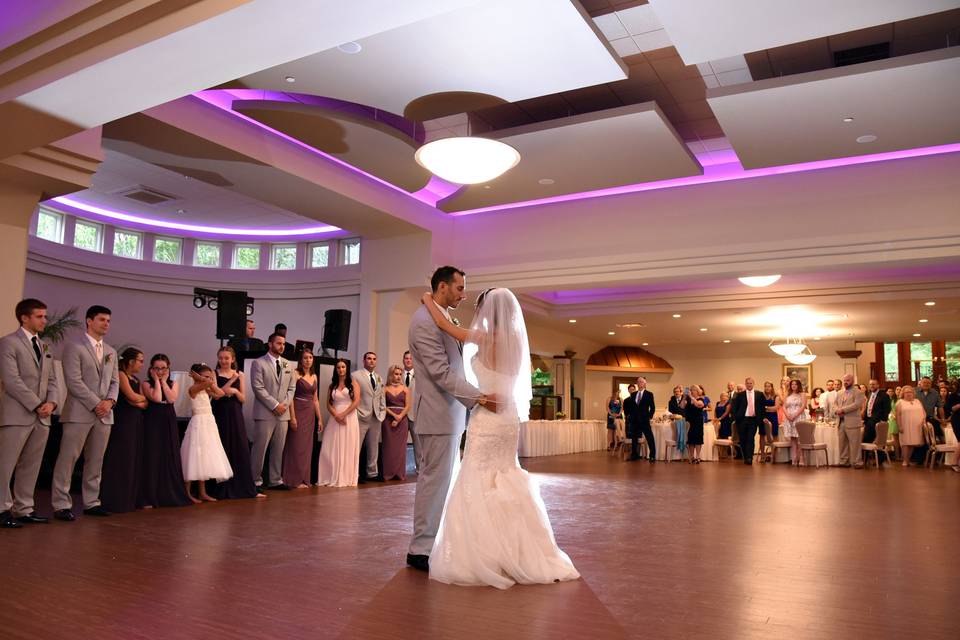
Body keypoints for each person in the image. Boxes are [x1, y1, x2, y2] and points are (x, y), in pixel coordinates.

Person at [421, 286, 579, 588]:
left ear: (485, 313)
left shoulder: (482, 338)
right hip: (508, 417)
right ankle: (518, 552)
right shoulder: (518, 342)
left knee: (477, 476)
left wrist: (428, 300)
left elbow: (444, 326)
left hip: (487, 414)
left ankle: (484, 554)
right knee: (506, 474)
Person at [406, 266, 489, 573]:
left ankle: (433, 543)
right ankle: (420, 550)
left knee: (443, 482)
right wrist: (479, 398)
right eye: (459, 288)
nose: (462, 294)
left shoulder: (439, 315)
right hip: (436, 415)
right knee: (433, 483)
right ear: (442, 287)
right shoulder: (424, 322)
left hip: (449, 415)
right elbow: (440, 372)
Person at [52, 305, 119, 520]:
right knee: (68, 459)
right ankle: (61, 504)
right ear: (89, 321)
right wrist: (96, 403)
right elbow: (73, 381)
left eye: (108, 320)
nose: (106, 324)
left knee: (96, 460)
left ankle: (91, 502)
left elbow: (115, 381)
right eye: (102, 319)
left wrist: (109, 401)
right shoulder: (74, 346)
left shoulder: (111, 351)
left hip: (105, 414)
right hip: (79, 412)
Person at [0, 299, 60, 528]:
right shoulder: (8, 343)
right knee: (5, 465)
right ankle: (1, 509)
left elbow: (53, 380)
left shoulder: (45, 346)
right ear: (24, 317)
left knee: (31, 464)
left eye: (45, 316)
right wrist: (37, 404)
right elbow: (11, 380)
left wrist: (52, 403)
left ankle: (23, 508)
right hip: (17, 414)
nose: (44, 320)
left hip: (42, 417)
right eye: (40, 316)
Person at [140, 354, 191, 508]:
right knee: (153, 456)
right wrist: (156, 381)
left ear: (168, 368)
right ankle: (150, 496)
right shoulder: (146, 383)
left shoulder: (173, 382)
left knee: (168, 454)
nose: (160, 371)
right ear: (151, 369)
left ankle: (168, 494)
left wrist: (163, 382)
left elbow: (171, 399)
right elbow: (156, 398)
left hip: (168, 420)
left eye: (163, 368)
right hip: (152, 421)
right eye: (157, 368)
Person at [100, 347, 147, 513]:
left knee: (132, 457)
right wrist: (139, 399)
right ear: (131, 361)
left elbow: (143, 402)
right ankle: (115, 499)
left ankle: (129, 498)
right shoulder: (121, 374)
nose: (142, 364)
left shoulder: (135, 379)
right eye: (140, 360)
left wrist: (140, 400)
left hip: (134, 421)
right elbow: (132, 397)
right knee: (120, 457)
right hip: (123, 421)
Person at [209, 346, 260, 499]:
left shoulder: (240, 374)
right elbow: (216, 395)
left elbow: (243, 398)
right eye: (221, 358)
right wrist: (231, 383)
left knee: (240, 447)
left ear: (233, 359)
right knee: (222, 445)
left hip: (235, 413)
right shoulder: (214, 373)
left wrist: (236, 391)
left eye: (226, 358)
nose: (223, 361)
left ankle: (243, 487)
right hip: (219, 412)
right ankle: (219, 488)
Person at [249, 333, 296, 490]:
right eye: (278, 343)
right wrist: (275, 405)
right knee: (259, 449)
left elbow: (292, 388)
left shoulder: (288, 364)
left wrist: (284, 405)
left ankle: (276, 480)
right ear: (270, 344)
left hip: (283, 414)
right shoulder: (258, 363)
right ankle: (254, 481)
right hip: (265, 413)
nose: (281, 346)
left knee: (278, 449)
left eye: (283, 344)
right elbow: (258, 388)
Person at [181, 364, 233, 503]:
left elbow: (221, 393)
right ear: (196, 376)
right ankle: (187, 493)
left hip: (209, 423)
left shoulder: (206, 388)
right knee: (194, 457)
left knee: (203, 458)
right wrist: (204, 380)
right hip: (198, 424)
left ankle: (202, 492)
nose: (209, 379)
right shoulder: (194, 388)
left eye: (210, 377)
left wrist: (207, 380)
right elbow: (209, 384)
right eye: (206, 376)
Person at [316, 359, 359, 487]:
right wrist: (336, 415)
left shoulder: (353, 383)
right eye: (339, 367)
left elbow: (356, 401)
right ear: (336, 369)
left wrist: (343, 415)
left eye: (343, 367)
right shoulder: (332, 385)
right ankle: (329, 475)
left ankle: (346, 477)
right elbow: (328, 403)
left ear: (347, 368)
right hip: (335, 418)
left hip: (349, 417)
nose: (341, 369)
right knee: (330, 447)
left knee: (348, 446)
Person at [284, 350, 321, 489]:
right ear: (301, 360)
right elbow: (291, 397)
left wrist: (320, 419)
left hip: (310, 413)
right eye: (305, 358)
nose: (308, 360)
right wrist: (292, 417)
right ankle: (293, 478)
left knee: (306, 447)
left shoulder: (315, 376)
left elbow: (316, 400)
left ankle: (304, 478)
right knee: (295, 445)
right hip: (298, 410)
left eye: (310, 357)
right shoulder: (295, 373)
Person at [352, 352, 386, 483]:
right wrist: (356, 412)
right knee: (357, 446)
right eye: (369, 359)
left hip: (376, 417)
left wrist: (382, 413)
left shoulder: (379, 378)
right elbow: (352, 396)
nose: (371, 361)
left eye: (374, 359)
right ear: (364, 360)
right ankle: (355, 473)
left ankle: (372, 473)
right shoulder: (355, 375)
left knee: (374, 446)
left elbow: (381, 396)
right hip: (361, 415)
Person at [382, 364, 412, 481]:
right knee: (388, 448)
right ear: (391, 374)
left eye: (400, 374)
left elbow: (408, 405)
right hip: (388, 420)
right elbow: (382, 405)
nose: (398, 376)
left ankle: (399, 473)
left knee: (400, 449)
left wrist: (399, 417)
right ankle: (388, 474)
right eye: (396, 374)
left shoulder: (405, 389)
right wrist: (394, 416)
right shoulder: (384, 389)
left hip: (402, 420)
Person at [835, 374, 866, 468]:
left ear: (853, 381)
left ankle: (857, 462)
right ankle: (844, 461)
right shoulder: (840, 392)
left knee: (855, 443)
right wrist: (836, 409)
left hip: (852, 421)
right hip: (840, 421)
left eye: (848, 380)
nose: (845, 382)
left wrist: (843, 410)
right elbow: (835, 404)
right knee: (842, 443)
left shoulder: (858, 392)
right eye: (844, 380)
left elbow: (857, 405)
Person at [732, 377, 764, 465]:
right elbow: (734, 408)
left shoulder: (759, 394)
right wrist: (736, 418)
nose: (749, 385)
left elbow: (762, 408)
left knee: (750, 438)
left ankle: (749, 458)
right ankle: (746, 457)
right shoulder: (740, 395)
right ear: (745, 384)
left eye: (751, 383)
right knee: (742, 439)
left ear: (753, 384)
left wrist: (761, 419)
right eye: (748, 383)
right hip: (742, 420)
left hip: (753, 420)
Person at [623, 377, 655, 461]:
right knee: (634, 438)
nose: (639, 383)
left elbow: (652, 408)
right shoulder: (633, 394)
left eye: (641, 382)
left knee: (649, 437)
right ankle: (634, 455)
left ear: (645, 384)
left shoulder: (649, 394)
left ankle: (652, 455)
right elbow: (631, 407)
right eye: (638, 382)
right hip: (634, 420)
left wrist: (649, 416)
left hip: (644, 420)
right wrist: (629, 416)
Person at [862, 378, 892, 465]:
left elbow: (887, 409)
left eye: (874, 384)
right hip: (869, 421)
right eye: (870, 384)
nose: (872, 386)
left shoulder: (884, 395)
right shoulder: (869, 394)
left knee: (879, 442)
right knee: (866, 440)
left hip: (878, 422)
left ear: (878, 385)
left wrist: (883, 420)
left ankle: (880, 460)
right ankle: (865, 460)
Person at [895, 386, 926, 467]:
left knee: (913, 443)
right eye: (906, 392)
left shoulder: (917, 401)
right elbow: (897, 415)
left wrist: (924, 421)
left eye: (910, 392)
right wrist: (899, 426)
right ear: (903, 394)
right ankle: (905, 460)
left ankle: (908, 459)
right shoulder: (900, 402)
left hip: (917, 426)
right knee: (905, 443)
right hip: (905, 425)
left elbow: (923, 412)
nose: (909, 394)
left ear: (913, 393)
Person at [402, 351, 422, 472]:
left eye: (410, 358)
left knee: (418, 445)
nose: (408, 360)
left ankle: (420, 468)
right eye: (406, 358)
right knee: (399, 445)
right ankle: (399, 469)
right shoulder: (397, 375)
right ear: (403, 360)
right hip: (401, 416)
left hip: (416, 414)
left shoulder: (420, 376)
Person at [781, 379, 806, 466]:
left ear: (798, 385)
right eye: (792, 384)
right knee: (793, 440)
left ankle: (801, 458)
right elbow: (783, 406)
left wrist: (795, 415)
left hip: (799, 417)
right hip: (789, 418)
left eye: (795, 384)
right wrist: (787, 415)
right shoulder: (787, 394)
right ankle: (794, 459)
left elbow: (803, 406)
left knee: (800, 439)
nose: (794, 386)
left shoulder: (802, 394)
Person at [682, 385, 705, 464]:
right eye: (691, 390)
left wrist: (691, 397)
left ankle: (698, 456)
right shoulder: (688, 399)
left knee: (698, 440)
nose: (691, 391)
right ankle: (691, 457)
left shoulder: (701, 399)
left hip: (697, 421)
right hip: (689, 422)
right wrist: (684, 397)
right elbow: (681, 406)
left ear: (697, 391)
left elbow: (698, 405)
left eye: (693, 390)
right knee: (691, 440)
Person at [760, 381, 781, 462]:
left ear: (772, 387)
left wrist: (765, 408)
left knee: (775, 436)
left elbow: (776, 408)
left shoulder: (776, 396)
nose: (767, 388)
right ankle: (762, 455)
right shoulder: (761, 396)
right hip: (764, 417)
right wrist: (768, 408)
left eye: (769, 386)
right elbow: (760, 407)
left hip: (773, 418)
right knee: (762, 435)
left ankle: (774, 455)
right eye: (766, 386)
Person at [886, 387, 900, 462]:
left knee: (899, 440)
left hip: (899, 419)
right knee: (895, 440)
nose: (899, 391)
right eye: (897, 390)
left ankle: (899, 455)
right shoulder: (893, 400)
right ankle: (897, 456)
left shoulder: (900, 400)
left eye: (900, 390)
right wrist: (892, 414)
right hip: (893, 420)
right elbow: (890, 409)